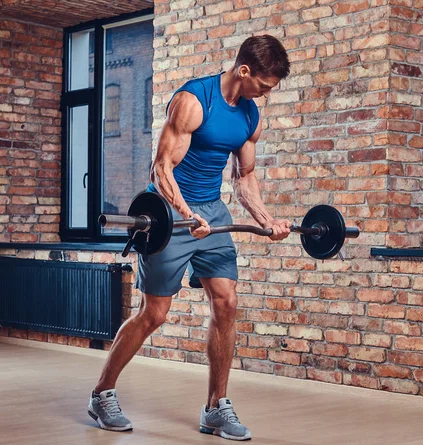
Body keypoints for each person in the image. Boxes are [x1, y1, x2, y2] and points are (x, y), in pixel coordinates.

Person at [88, 35, 293, 441]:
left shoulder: (250, 116)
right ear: (244, 71)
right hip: (169, 212)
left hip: (212, 212)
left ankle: (216, 407)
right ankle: (102, 393)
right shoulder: (193, 101)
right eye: (264, 86)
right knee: (155, 314)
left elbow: (244, 177)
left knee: (227, 302)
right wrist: (186, 214)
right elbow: (160, 168)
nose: (265, 96)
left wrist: (267, 220)